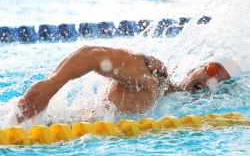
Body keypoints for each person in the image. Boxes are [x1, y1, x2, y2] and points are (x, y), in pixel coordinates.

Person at [16, 46, 241, 123]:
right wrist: (51, 85)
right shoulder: (155, 76)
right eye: (212, 70)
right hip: (48, 126)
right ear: (196, 68)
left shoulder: (174, 114)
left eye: (220, 82)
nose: (211, 80)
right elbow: (92, 55)